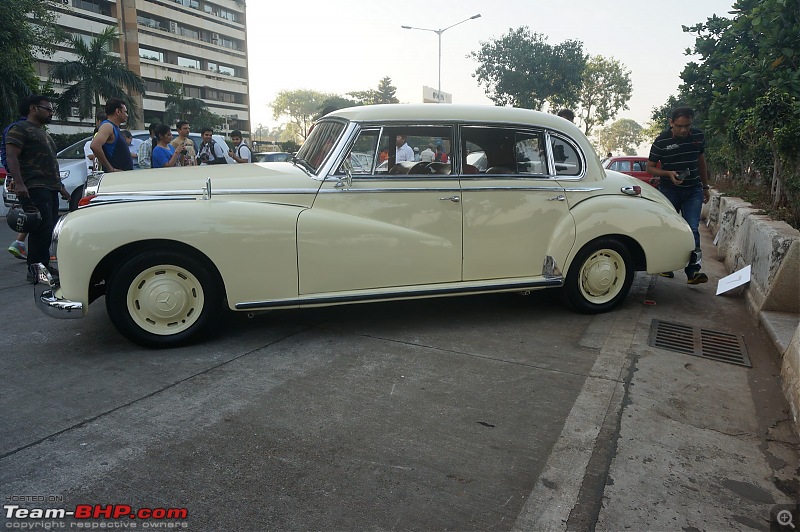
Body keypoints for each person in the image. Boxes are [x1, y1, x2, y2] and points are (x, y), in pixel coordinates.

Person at [5, 95, 69, 282]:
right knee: (40, 228)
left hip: (48, 187)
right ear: (33, 108)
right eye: (47, 109)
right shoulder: (20, 129)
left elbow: (50, 163)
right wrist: (18, 182)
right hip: (33, 186)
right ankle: (35, 270)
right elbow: (12, 157)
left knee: (48, 229)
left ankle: (44, 266)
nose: (51, 112)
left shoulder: (43, 133)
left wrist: (60, 186)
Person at [646, 106, 711, 284]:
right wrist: (668, 174)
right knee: (669, 229)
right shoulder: (661, 141)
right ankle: (666, 266)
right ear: (671, 123)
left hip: (693, 191)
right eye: (680, 126)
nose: (683, 130)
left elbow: (701, 161)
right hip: (669, 191)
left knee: (693, 229)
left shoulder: (698, 137)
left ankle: (693, 272)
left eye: (687, 126)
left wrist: (705, 186)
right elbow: (650, 167)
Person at [91, 99, 133, 172]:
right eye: (125, 112)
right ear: (118, 111)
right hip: (116, 178)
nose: (127, 115)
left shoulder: (114, 127)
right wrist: (110, 168)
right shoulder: (107, 126)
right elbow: (94, 146)